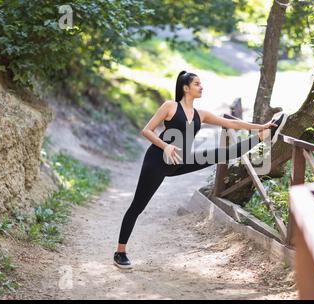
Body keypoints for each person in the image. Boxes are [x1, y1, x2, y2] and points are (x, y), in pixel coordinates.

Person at [114, 70, 287, 269]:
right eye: (197, 84)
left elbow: (231, 123)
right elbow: (146, 130)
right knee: (138, 206)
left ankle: (263, 135)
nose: (201, 86)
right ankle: (120, 252)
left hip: (180, 161)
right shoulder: (170, 106)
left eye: (200, 83)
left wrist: (260, 126)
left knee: (221, 154)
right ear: (186, 88)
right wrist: (165, 145)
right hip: (157, 161)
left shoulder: (200, 114)